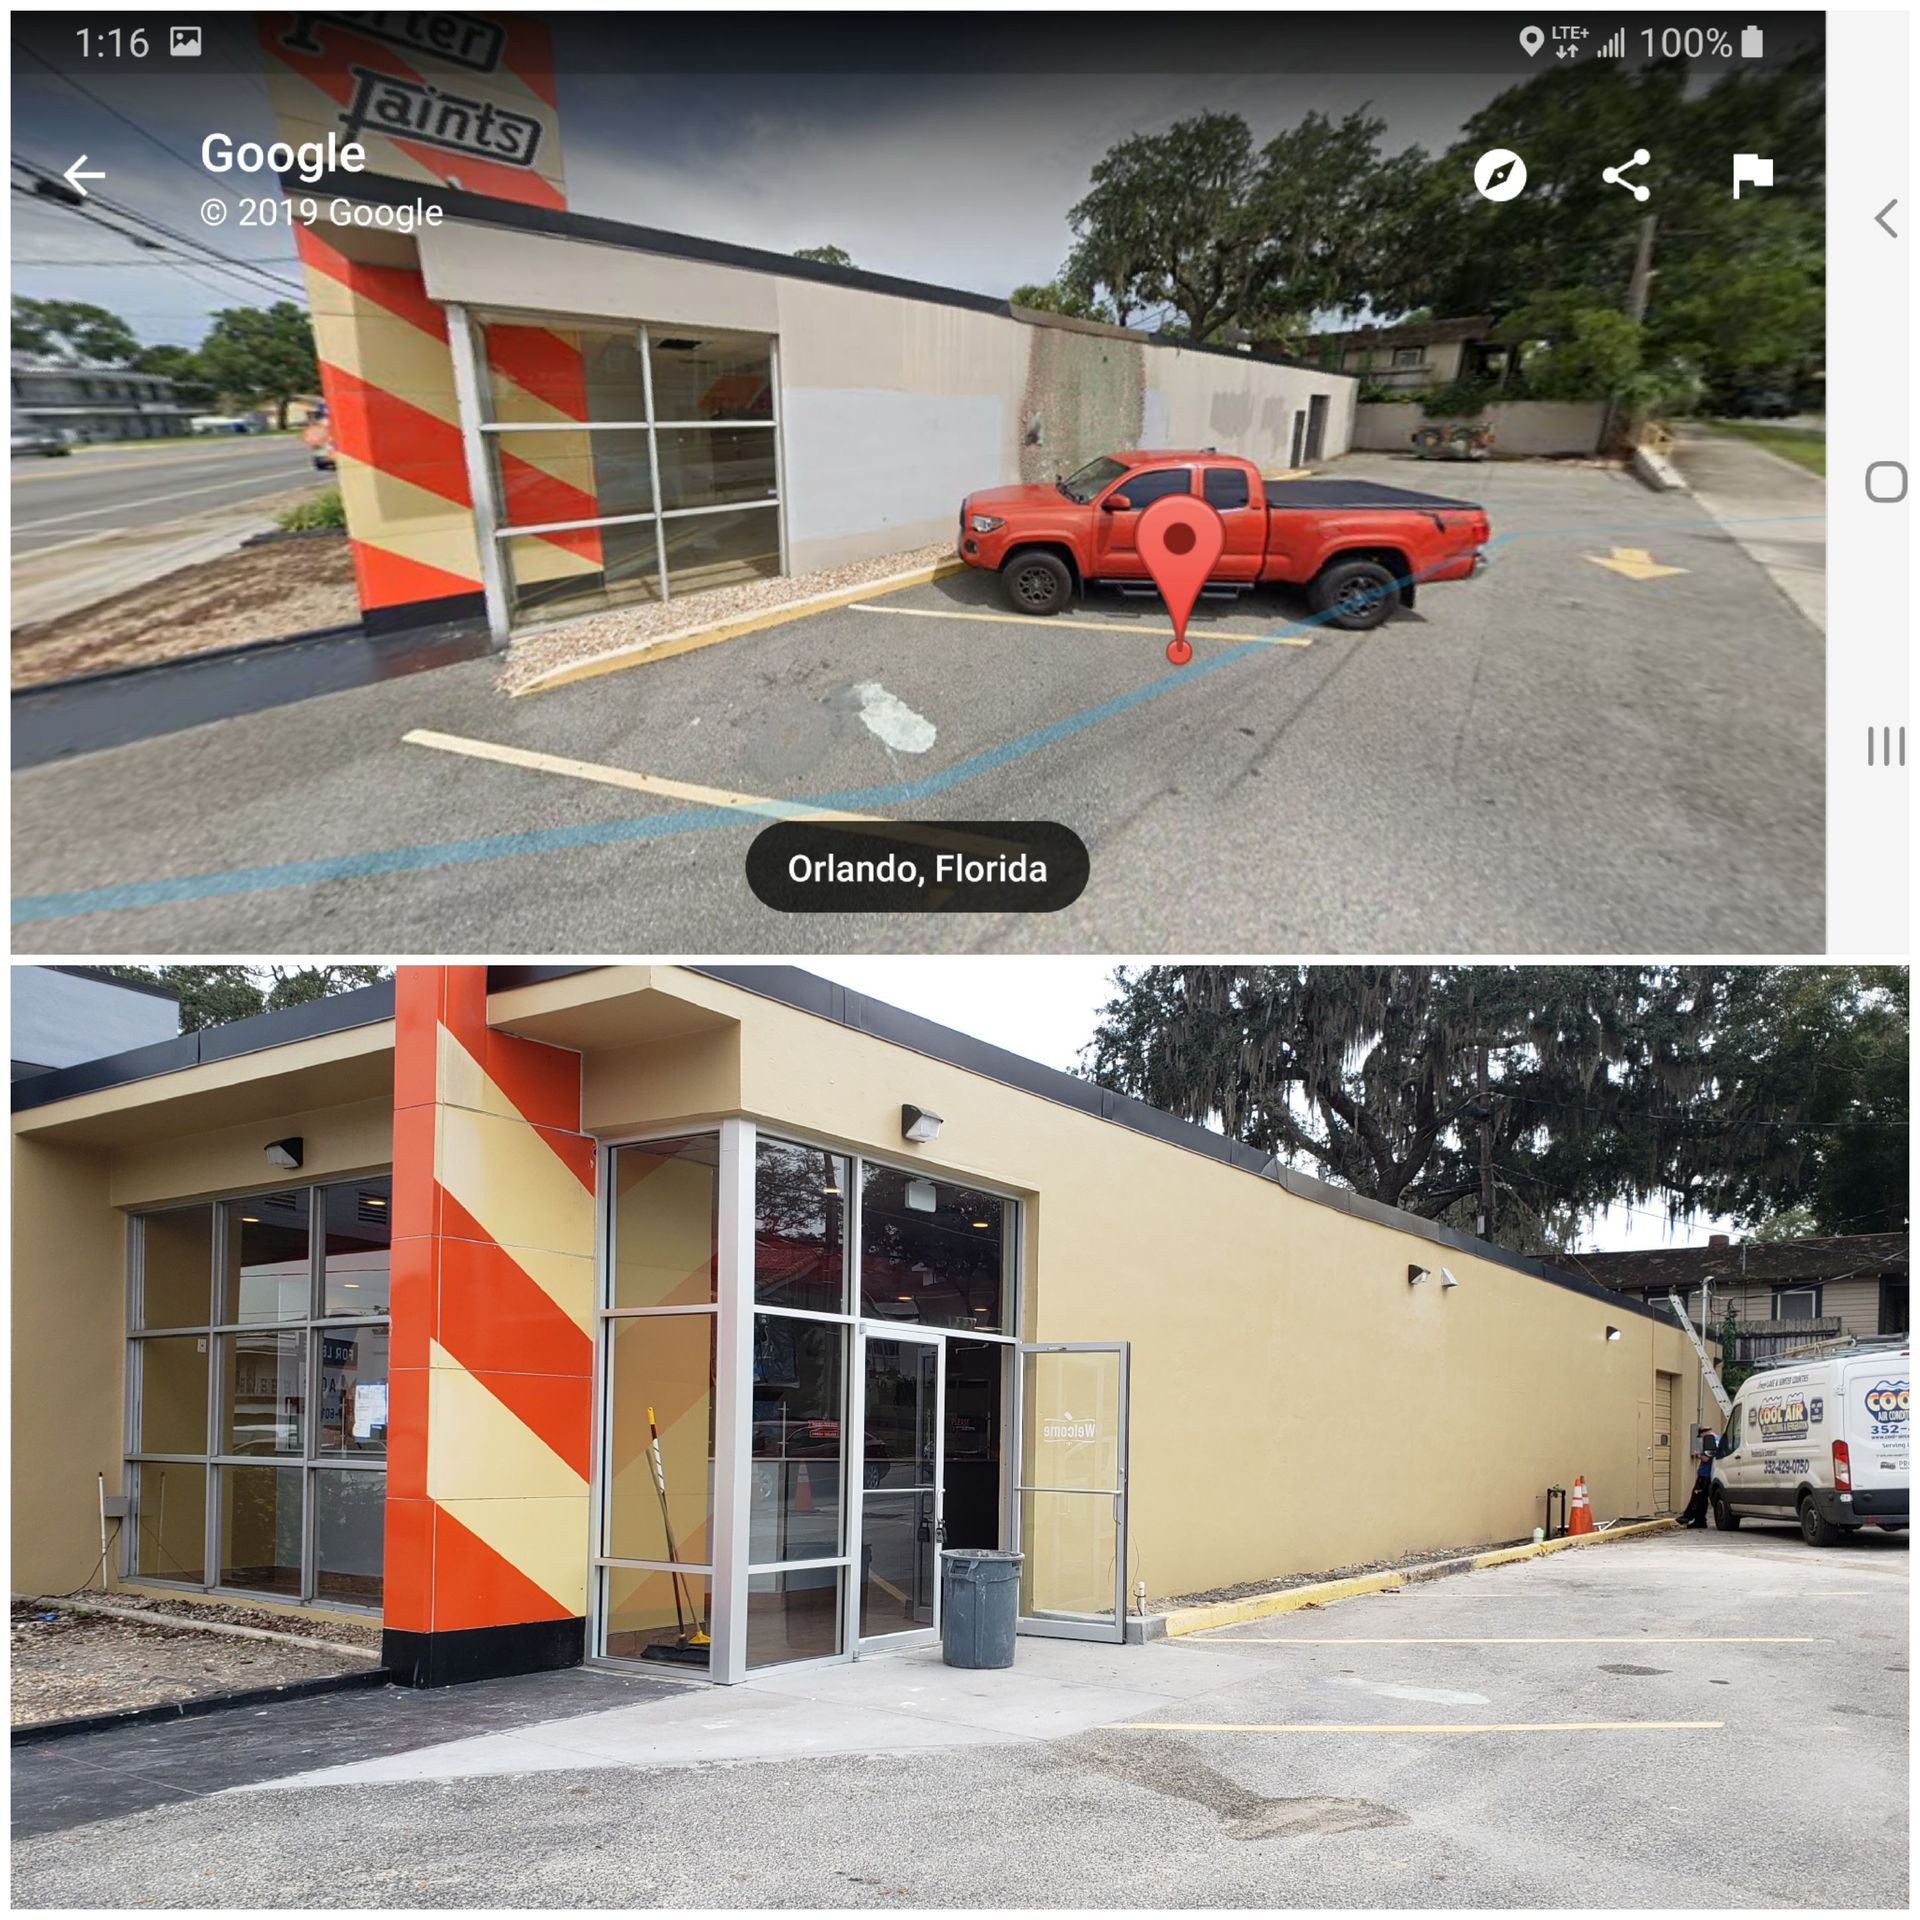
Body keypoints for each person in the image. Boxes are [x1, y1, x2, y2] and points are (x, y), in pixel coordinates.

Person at [1680, 1427, 1719, 1527]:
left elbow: (1706, 1458)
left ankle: (1688, 1517)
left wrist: (1698, 1455)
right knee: (1702, 1499)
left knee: (1697, 1497)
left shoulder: (1709, 1441)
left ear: (1704, 1433)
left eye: (1701, 1436)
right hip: (1714, 1473)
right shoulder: (1719, 1439)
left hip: (1705, 1474)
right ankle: (1699, 1520)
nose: (1701, 1438)